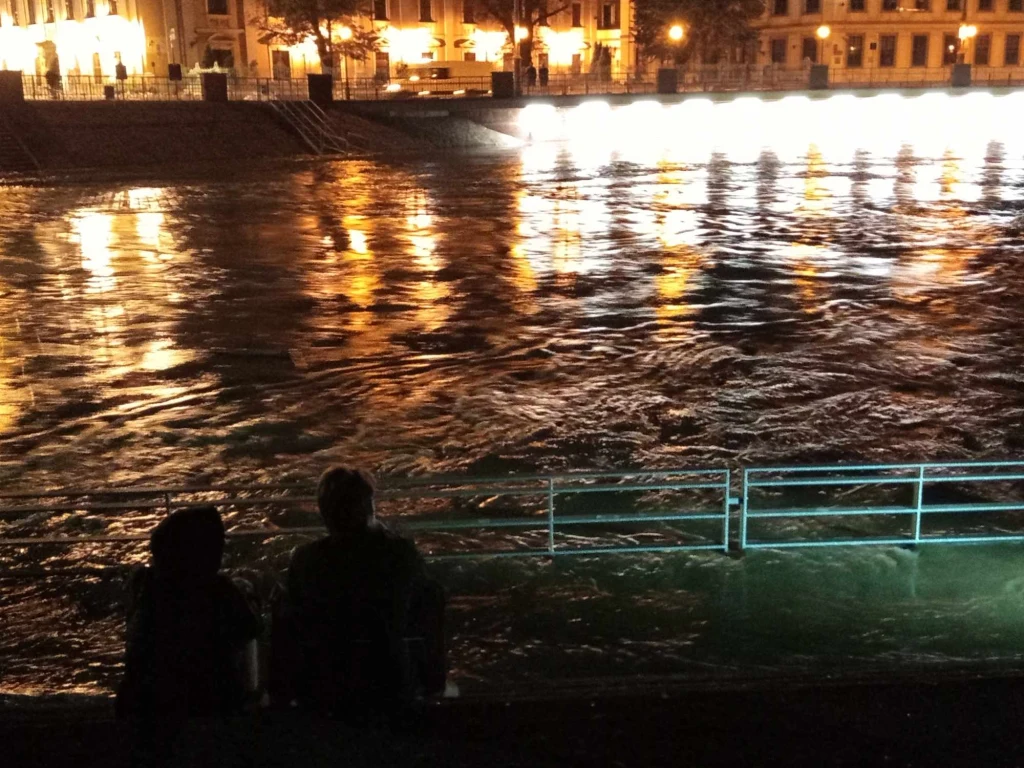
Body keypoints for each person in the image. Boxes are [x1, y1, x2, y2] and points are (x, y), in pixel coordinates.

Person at [277, 466, 446, 716]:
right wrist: (433, 678)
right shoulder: (399, 554)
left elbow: (292, 622)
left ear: (326, 513)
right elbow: (428, 610)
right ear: (369, 507)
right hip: (390, 680)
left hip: (325, 683)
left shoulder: (307, 560)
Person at [116, 506, 261, 718]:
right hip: (209, 702)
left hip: (142, 704)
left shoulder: (143, 584)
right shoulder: (219, 590)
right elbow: (250, 630)